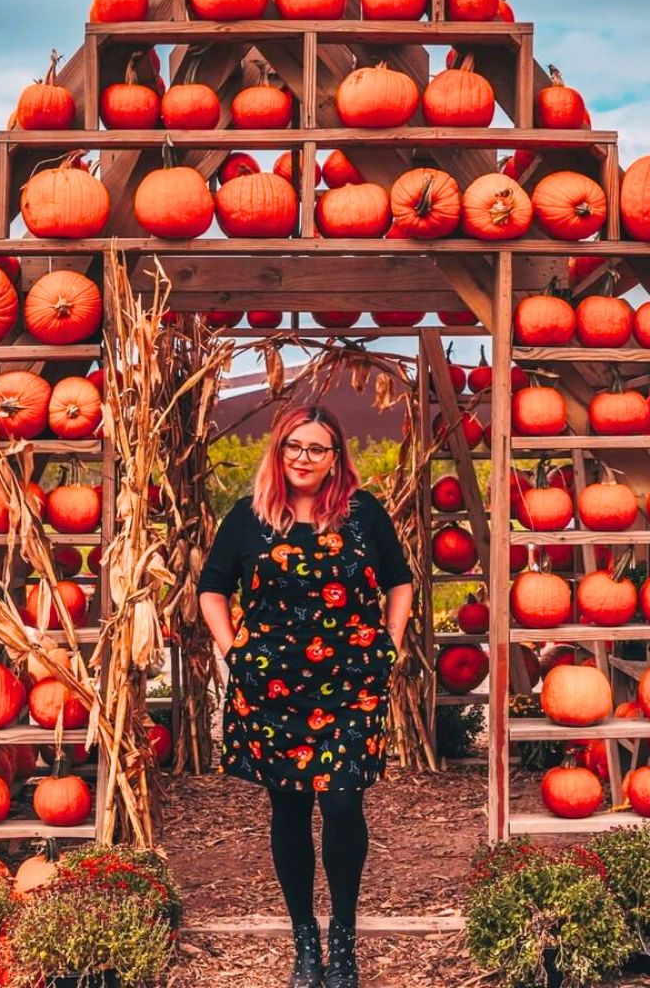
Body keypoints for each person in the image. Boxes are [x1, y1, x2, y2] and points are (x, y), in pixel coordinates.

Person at [196, 403, 413, 988]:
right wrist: (232, 649)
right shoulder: (249, 518)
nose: (304, 458)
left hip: (351, 684)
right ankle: (304, 942)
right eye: (295, 445)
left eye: (318, 448)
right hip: (271, 689)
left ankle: (342, 938)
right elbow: (211, 589)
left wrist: (388, 646)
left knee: (344, 804)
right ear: (279, 448)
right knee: (288, 809)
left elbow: (399, 580)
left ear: (336, 457)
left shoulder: (363, 515)